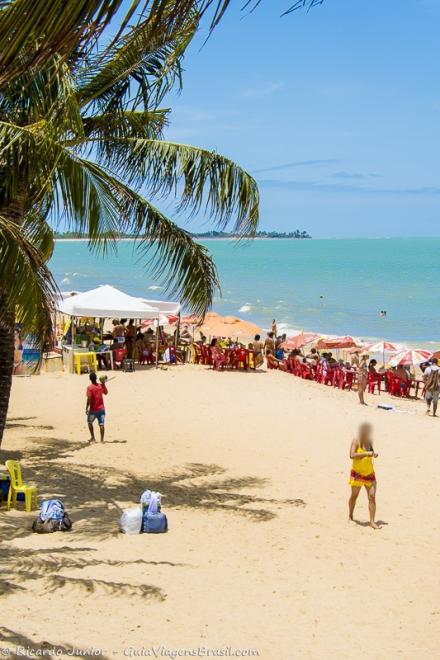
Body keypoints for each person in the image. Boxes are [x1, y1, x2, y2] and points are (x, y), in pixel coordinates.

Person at [348, 423, 379, 529]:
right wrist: (366, 454)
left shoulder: (370, 441)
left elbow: (371, 452)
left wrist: (374, 454)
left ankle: (372, 522)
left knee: (372, 497)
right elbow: (352, 455)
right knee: (354, 496)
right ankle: (350, 515)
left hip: (370, 474)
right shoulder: (356, 441)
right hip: (357, 475)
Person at [85, 372, 108, 443]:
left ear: (90, 379)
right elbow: (106, 393)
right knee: (101, 424)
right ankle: (102, 440)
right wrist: (103, 384)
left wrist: (86, 408)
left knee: (89, 422)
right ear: (96, 378)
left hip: (93, 410)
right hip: (101, 409)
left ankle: (93, 437)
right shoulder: (100, 386)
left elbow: (89, 398)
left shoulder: (89, 388)